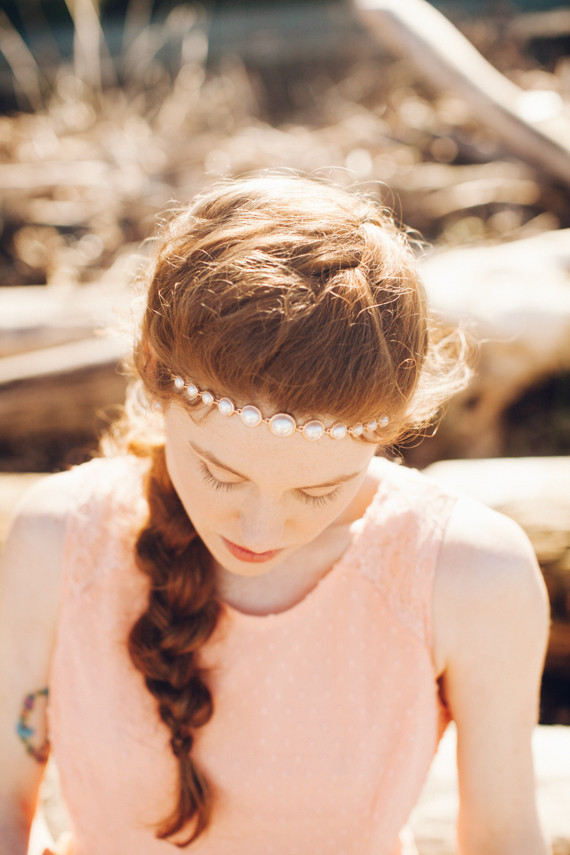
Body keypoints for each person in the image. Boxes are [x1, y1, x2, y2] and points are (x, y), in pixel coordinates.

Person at [0, 174, 550, 855]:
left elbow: (502, 839)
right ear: (154, 377)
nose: (257, 533)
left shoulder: (467, 573)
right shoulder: (60, 539)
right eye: (219, 472)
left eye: (318, 491)